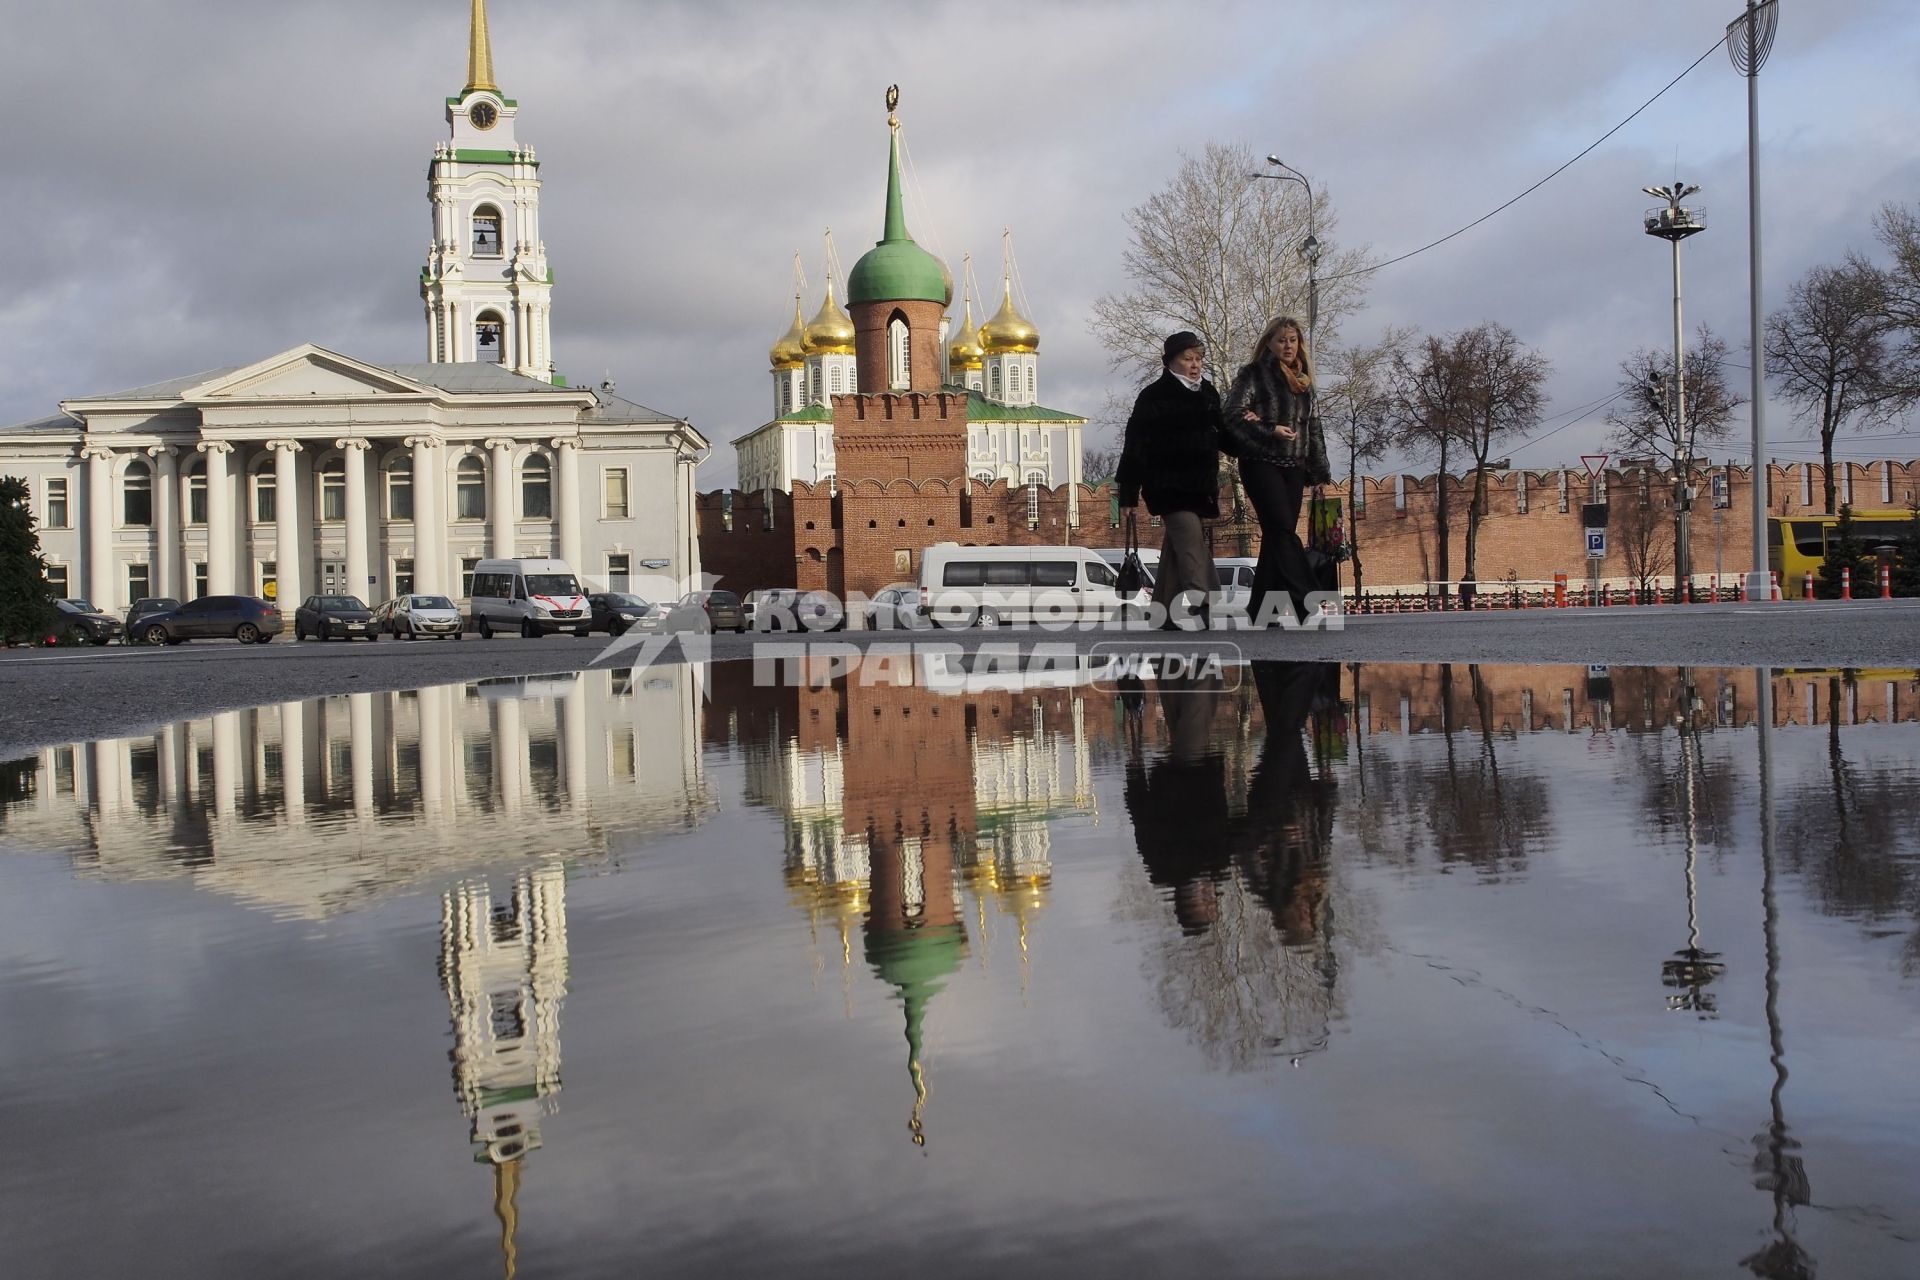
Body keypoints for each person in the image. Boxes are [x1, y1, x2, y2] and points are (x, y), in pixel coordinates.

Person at [1117, 331, 1224, 630]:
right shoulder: (1153, 397)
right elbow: (1135, 445)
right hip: (1167, 486)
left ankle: (1163, 610)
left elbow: (1226, 434)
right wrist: (1128, 493)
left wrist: (1261, 435)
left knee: (1177, 546)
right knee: (1190, 539)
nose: (1195, 365)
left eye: (1199, 359)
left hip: (1200, 485)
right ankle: (1205, 603)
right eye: (1187, 359)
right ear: (1170, 362)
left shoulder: (1208, 393)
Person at [1223, 316, 1324, 626]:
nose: (1288, 346)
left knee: (1276, 536)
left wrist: (1319, 473)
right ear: (1269, 343)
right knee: (1282, 529)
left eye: (1293, 340)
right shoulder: (1253, 375)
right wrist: (1269, 430)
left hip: (1294, 466)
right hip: (1260, 462)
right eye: (1282, 340)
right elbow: (1231, 415)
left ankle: (1261, 611)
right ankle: (1305, 598)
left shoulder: (1304, 382)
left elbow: (1314, 427)